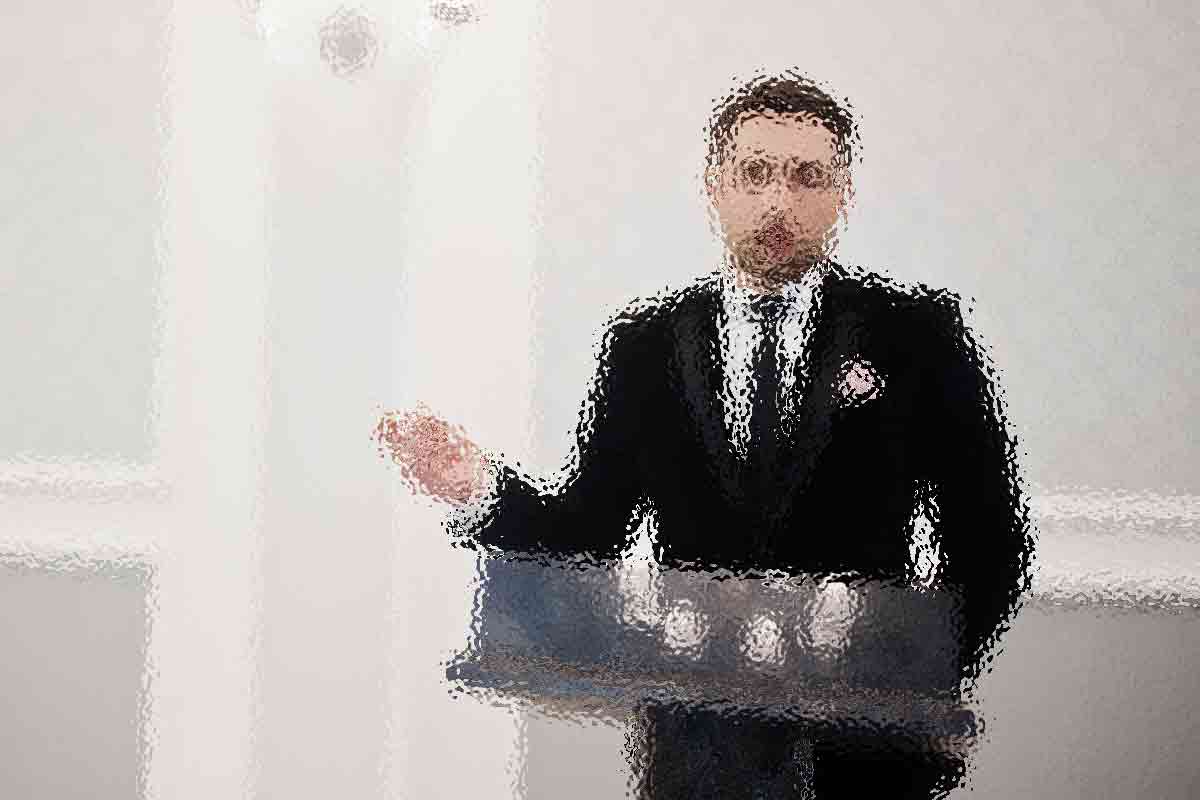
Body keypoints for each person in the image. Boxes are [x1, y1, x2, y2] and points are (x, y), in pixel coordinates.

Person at [377, 69, 1035, 798]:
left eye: (808, 177)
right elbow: (588, 535)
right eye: (755, 173)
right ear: (715, 187)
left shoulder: (919, 337)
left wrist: (925, 678)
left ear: (842, 195)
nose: (779, 201)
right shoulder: (645, 347)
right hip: (694, 756)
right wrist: (478, 487)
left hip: (869, 759)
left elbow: (993, 544)